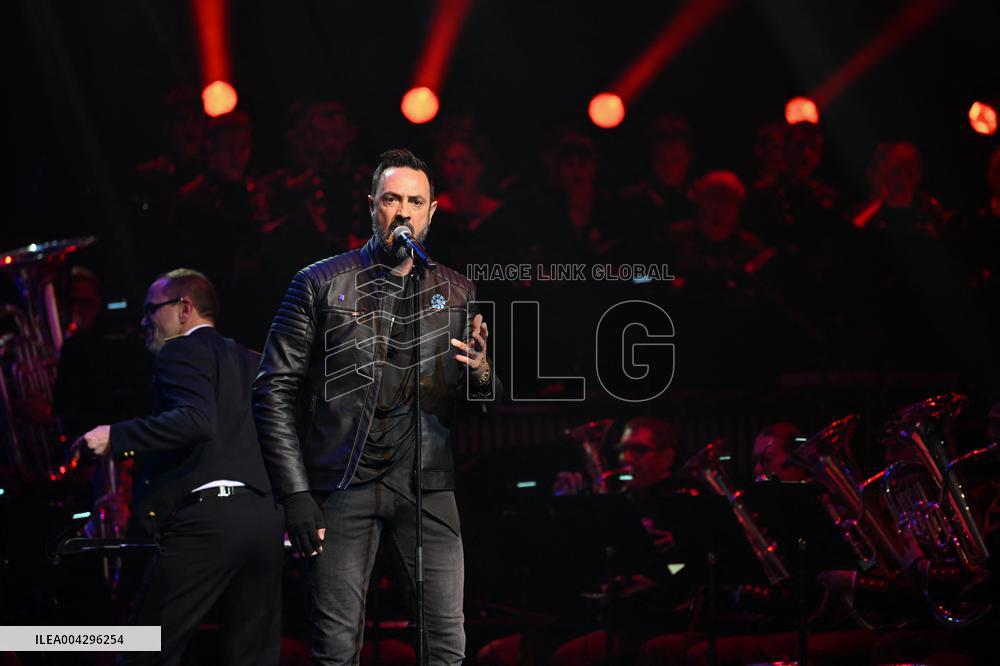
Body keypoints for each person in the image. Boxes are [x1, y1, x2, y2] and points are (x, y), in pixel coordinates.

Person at [253, 148, 500, 665]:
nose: (403, 212)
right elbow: (272, 389)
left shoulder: (457, 291)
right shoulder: (319, 283)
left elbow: (482, 403)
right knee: (336, 647)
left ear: (432, 212)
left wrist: (480, 371)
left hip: (425, 485)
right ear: (372, 206)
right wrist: (295, 492)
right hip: (344, 482)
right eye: (392, 200)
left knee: (446, 645)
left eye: (416, 201)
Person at [82, 269, 283, 666]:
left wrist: (115, 436)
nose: (144, 322)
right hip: (265, 521)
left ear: (184, 309)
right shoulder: (253, 360)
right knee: (252, 657)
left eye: (150, 310)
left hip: (209, 523)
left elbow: (195, 421)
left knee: (142, 649)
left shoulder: (181, 349)